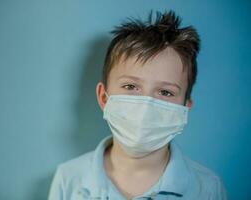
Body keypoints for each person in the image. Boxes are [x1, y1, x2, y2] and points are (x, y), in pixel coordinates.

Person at [48, 10, 227, 200]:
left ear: (185, 108)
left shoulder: (207, 188)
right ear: (103, 97)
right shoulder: (69, 179)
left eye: (166, 92)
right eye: (131, 86)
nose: (145, 106)